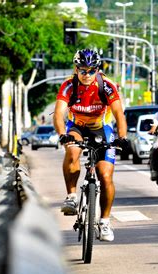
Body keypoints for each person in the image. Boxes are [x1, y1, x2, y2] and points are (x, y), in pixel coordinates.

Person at [54, 48, 127, 242]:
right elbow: (59, 113)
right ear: (76, 69)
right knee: (72, 151)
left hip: (101, 128)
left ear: (97, 70)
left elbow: (119, 114)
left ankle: (104, 221)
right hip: (76, 126)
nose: (87, 75)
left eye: (91, 70)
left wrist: (122, 137)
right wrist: (62, 134)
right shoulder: (69, 86)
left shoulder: (107, 85)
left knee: (105, 175)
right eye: (83, 70)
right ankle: (71, 196)